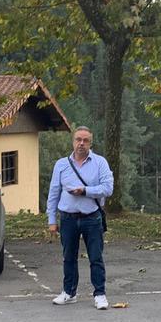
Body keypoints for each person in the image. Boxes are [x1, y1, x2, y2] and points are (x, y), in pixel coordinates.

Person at [47, 126, 114, 310]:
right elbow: (53, 193)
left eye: (85, 140)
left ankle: (100, 294)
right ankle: (69, 292)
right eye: (78, 139)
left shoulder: (100, 163)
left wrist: (85, 191)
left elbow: (108, 189)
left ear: (91, 143)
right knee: (68, 257)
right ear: (73, 141)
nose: (81, 144)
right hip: (67, 218)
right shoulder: (61, 165)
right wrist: (51, 220)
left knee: (96, 257)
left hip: (91, 217)